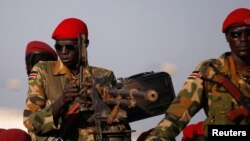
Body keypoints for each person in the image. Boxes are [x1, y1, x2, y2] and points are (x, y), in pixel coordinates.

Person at [145, 7, 250, 140]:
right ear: (227, 37)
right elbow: (175, 117)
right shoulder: (210, 72)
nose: (243, 39)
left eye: (248, 33)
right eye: (236, 34)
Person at [23, 18, 131, 141]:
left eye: (69, 47)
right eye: (58, 47)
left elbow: (118, 121)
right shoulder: (43, 71)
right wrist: (61, 101)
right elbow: (30, 123)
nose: (63, 52)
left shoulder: (104, 76)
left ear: (85, 44)